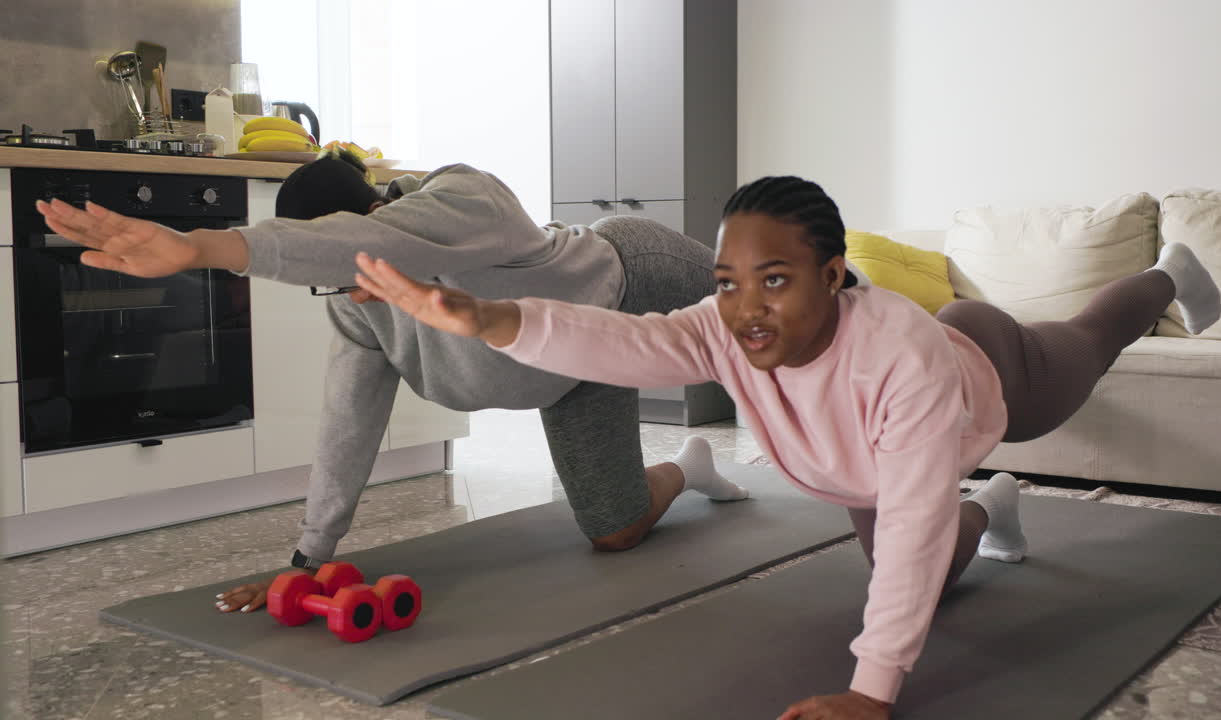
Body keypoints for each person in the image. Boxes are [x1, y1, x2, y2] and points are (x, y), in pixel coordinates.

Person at [348, 174, 1221, 720]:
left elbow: (917, 514)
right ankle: (991, 504)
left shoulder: (901, 362)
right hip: (866, 468)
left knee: (1086, 344)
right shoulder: (724, 328)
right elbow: (621, 341)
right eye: (729, 283)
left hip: (987, 364)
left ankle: (1168, 276)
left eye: (775, 280)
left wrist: (872, 692)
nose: (746, 307)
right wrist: (490, 319)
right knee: (924, 581)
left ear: (833, 276)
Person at [34, 150, 751, 613]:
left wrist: (206, 247)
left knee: (783, 313)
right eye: (331, 281)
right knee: (616, 532)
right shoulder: (358, 312)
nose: (346, 290)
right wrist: (309, 560)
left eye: (343, 267)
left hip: (627, 277)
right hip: (567, 377)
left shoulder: (467, 201)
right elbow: (348, 424)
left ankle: (851, 282)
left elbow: (370, 243)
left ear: (379, 219)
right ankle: (694, 467)